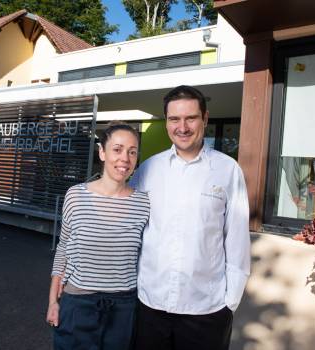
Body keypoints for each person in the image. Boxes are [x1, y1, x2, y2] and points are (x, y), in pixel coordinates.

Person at [130, 85, 251, 350]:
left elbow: (238, 238)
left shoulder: (228, 170)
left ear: (205, 119)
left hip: (206, 310)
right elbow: (133, 229)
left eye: (190, 118)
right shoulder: (148, 168)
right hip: (151, 305)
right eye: (174, 119)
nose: (182, 127)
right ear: (166, 123)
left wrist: (230, 302)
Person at [46, 122, 150, 350]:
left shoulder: (144, 203)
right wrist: (53, 301)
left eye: (132, 152)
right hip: (78, 303)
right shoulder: (76, 196)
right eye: (117, 149)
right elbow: (63, 247)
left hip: (124, 307)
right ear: (102, 152)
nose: (125, 158)